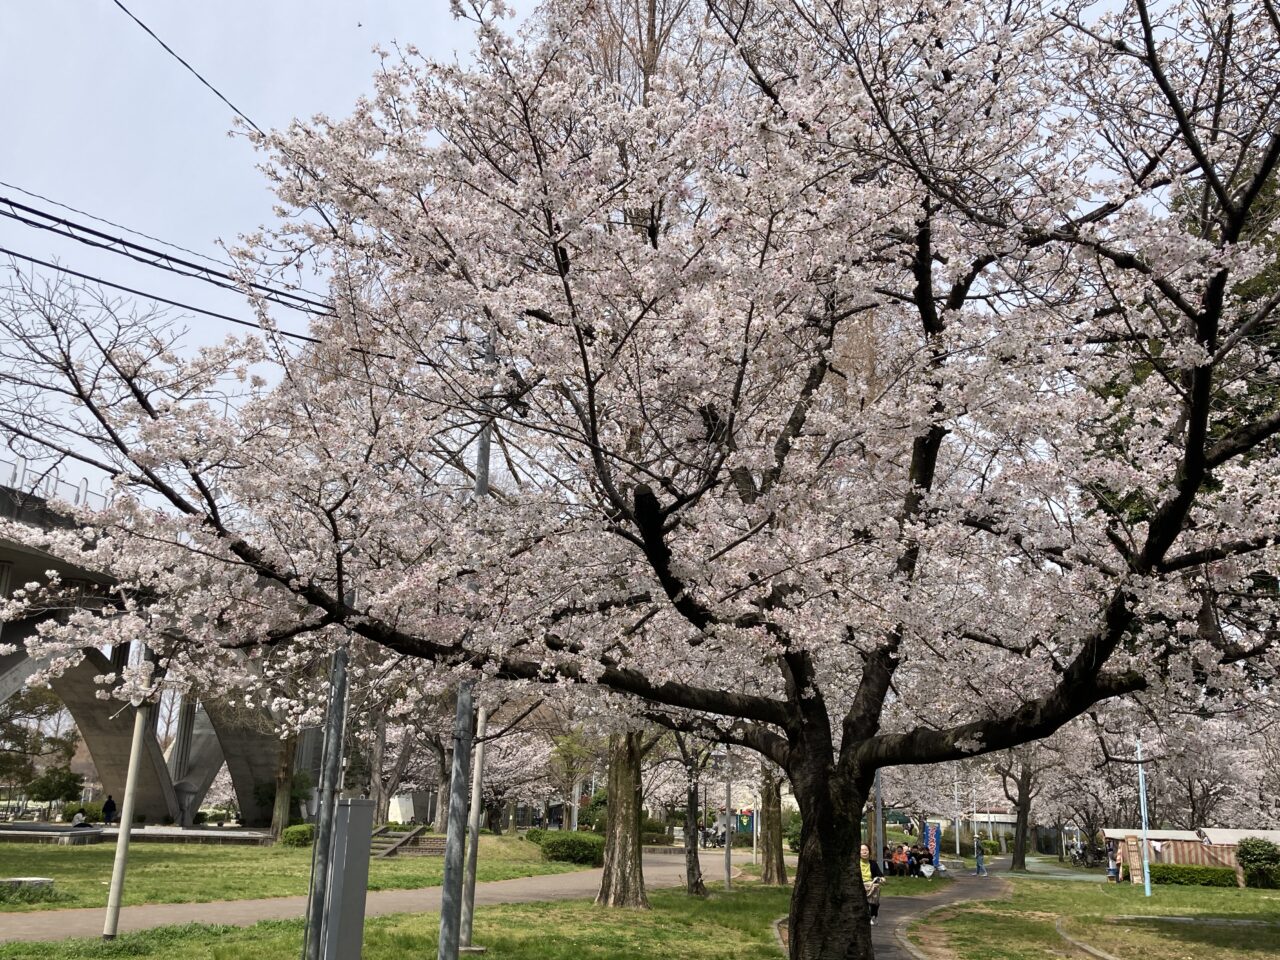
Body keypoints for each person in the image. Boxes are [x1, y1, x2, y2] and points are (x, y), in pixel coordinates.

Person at [859, 843, 885, 925]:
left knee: (875, 890)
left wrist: (882, 879)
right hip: (860, 885)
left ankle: (873, 915)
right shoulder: (855, 863)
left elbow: (880, 875)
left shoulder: (873, 863)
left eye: (866, 850)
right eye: (862, 850)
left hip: (871, 884)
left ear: (869, 852)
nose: (864, 852)